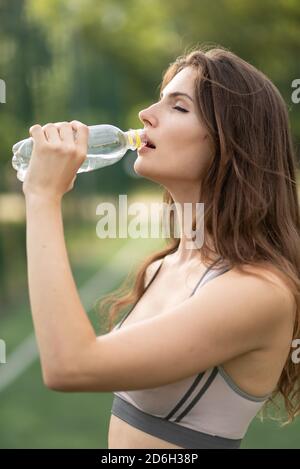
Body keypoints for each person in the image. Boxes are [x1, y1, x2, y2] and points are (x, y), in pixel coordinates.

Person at [22, 45, 300, 449]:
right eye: (160, 99)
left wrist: (43, 198)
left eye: (179, 107)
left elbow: (70, 365)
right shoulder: (163, 266)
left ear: (230, 143)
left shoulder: (257, 291)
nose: (145, 115)